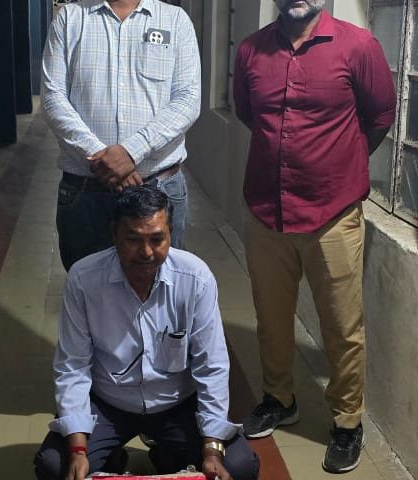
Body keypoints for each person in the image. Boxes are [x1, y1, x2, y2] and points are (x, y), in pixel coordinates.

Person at [233, 0, 396, 474]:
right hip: (267, 211)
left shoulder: (359, 46)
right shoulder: (250, 51)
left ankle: (347, 422)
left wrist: (339, 162)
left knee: (342, 327)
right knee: (271, 316)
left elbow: (380, 116)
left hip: (333, 214)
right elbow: (249, 114)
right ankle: (279, 398)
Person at [34, 185, 259, 480]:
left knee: (239, 468)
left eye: (157, 239)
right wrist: (77, 450)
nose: (146, 252)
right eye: (133, 239)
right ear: (114, 234)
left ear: (170, 234)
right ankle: (112, 458)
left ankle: (167, 454)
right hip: (108, 403)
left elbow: (212, 366)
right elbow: (73, 366)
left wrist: (212, 450)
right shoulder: (84, 279)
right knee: (54, 467)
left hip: (177, 403)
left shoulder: (195, 277)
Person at [41, 0, 201, 270]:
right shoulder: (70, 19)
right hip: (86, 193)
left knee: (160, 288)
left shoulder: (175, 20)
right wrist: (103, 158)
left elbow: (188, 99)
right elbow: (52, 98)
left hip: (159, 188)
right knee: (89, 286)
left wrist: (130, 152)